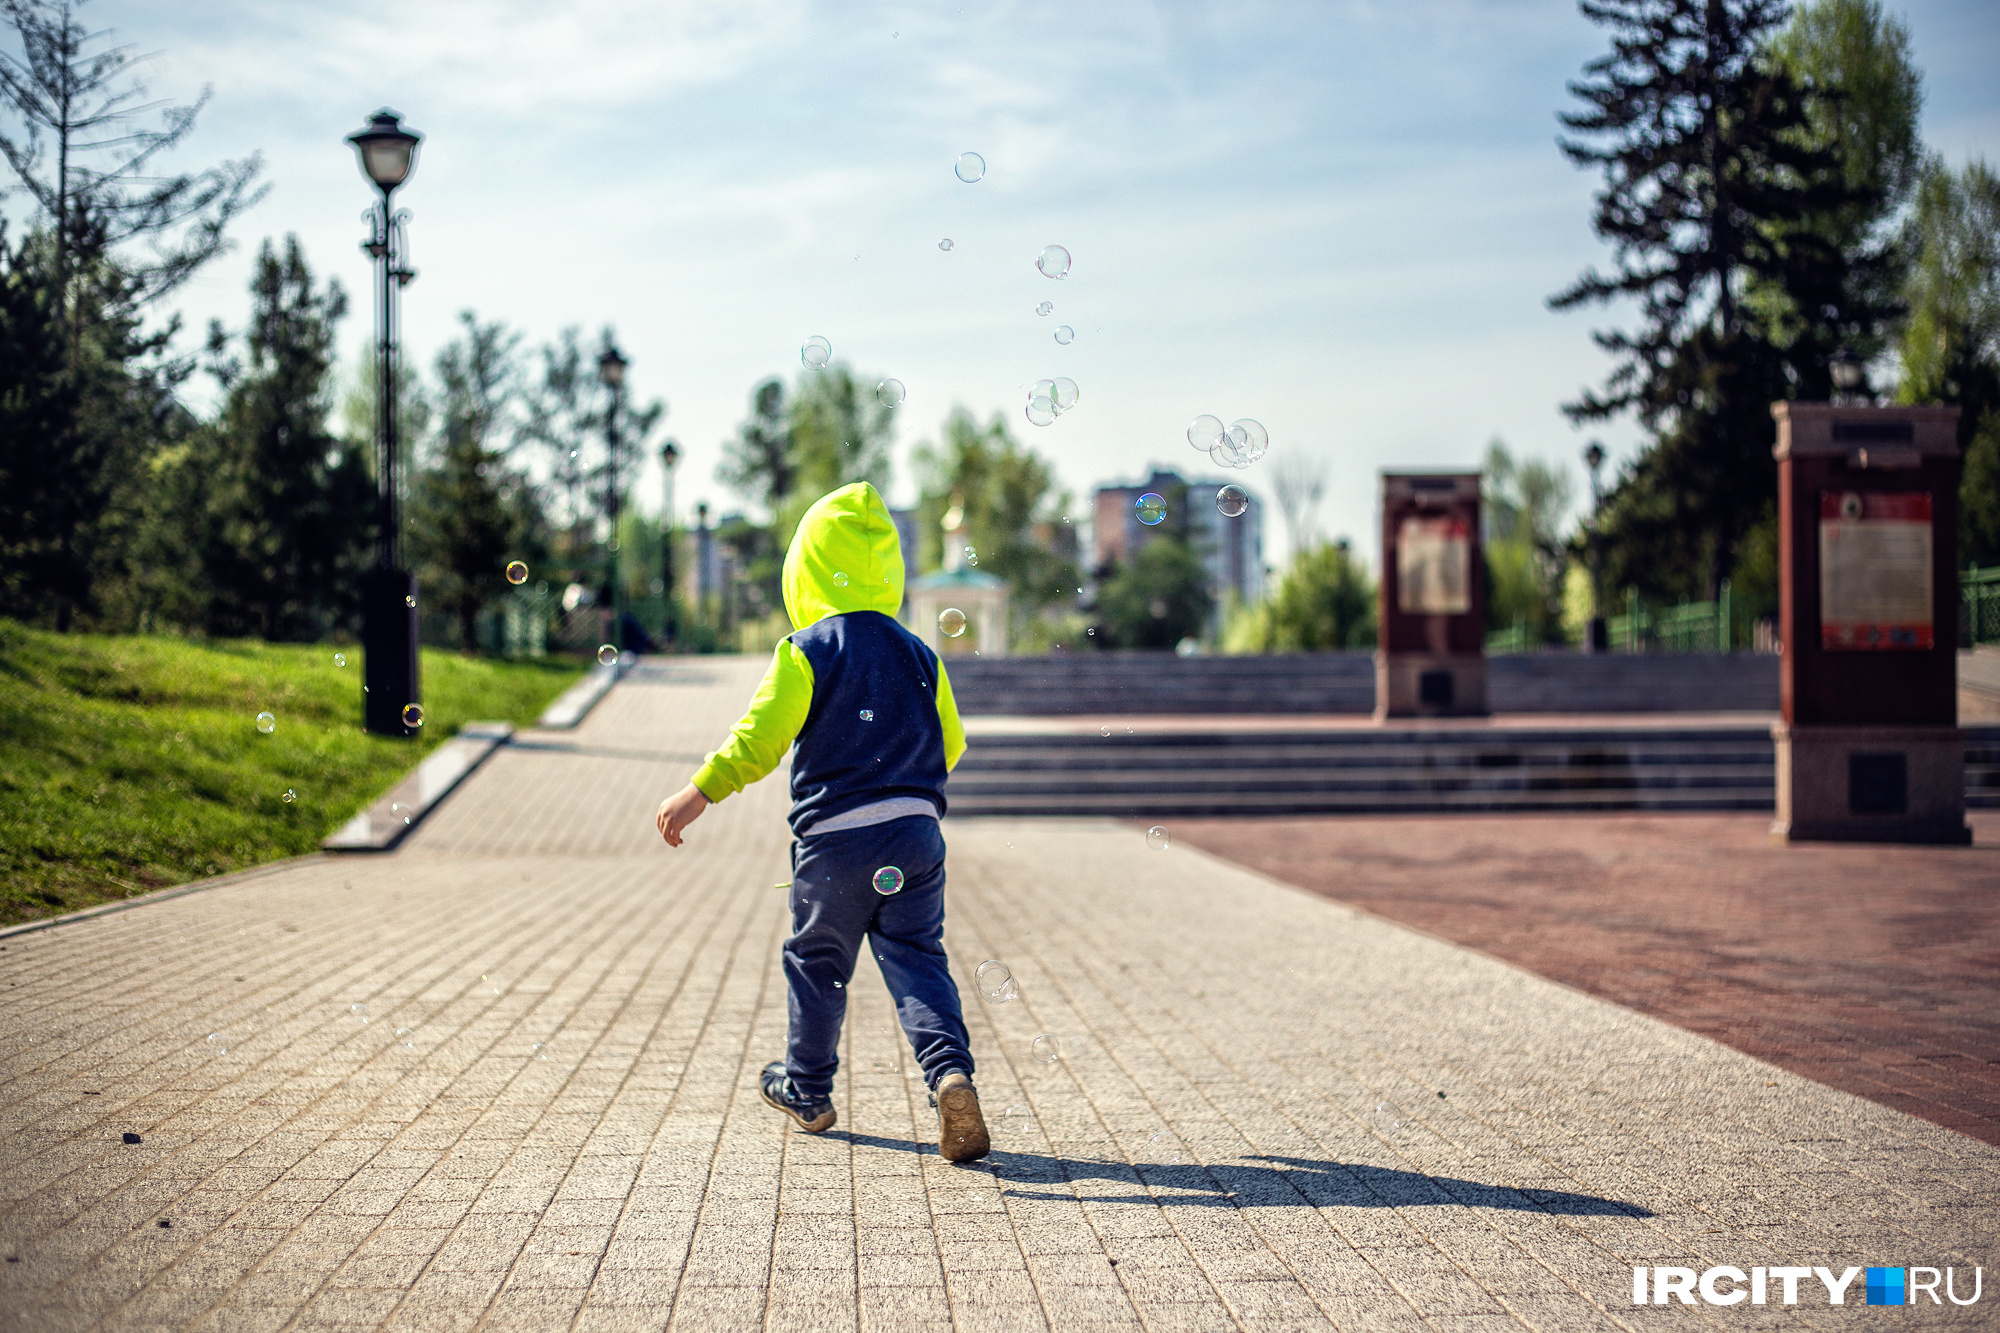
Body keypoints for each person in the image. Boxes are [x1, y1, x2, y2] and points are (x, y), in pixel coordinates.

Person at [654, 482, 988, 1162]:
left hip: (835, 841)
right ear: (888, 570)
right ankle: (950, 1073)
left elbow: (760, 738)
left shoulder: (809, 647)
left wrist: (698, 792)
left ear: (804, 570)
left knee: (818, 962)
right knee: (919, 959)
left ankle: (806, 1087)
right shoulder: (923, 654)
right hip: (917, 837)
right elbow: (951, 743)